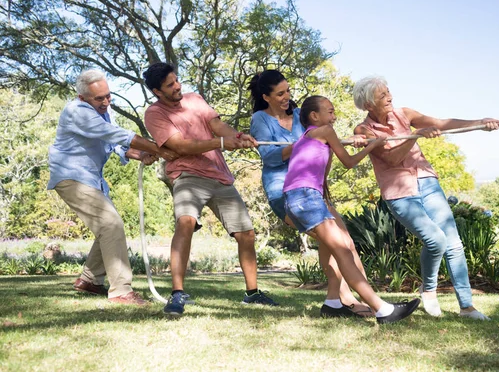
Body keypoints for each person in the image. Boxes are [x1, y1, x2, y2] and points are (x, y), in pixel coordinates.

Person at [353, 75, 499, 320]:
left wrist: (480, 123)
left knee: (453, 243)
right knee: (435, 240)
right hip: (399, 193)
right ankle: (429, 289)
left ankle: (467, 307)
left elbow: (441, 123)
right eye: (382, 95)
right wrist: (415, 136)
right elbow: (391, 159)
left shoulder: (405, 114)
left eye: (388, 91)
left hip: (427, 181)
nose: (389, 97)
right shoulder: (364, 130)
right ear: (368, 104)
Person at [143, 62, 279, 316]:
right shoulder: (154, 113)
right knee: (185, 222)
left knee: (246, 233)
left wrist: (237, 137)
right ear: (156, 91)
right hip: (187, 175)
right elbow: (180, 146)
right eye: (170, 85)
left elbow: (218, 126)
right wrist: (220, 142)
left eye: (176, 80)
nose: (177, 86)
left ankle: (252, 293)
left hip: (219, 174)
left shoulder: (195, 99)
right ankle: (177, 294)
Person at [283, 95, 421, 324]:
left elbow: (323, 173)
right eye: (330, 111)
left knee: (338, 246)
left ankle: (332, 303)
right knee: (343, 250)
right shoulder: (325, 130)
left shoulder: (306, 138)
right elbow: (348, 162)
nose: (334, 116)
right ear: (314, 116)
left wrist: (353, 140)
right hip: (306, 198)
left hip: (298, 198)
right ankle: (383, 309)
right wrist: (373, 144)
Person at [48, 69, 179, 305]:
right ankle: (121, 292)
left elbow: (112, 143)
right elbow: (115, 134)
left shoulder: (103, 111)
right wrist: (158, 148)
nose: (106, 102)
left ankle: (90, 280)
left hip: (89, 178)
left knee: (107, 226)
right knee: (111, 224)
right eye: (100, 99)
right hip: (72, 176)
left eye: (109, 96)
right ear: (82, 98)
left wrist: (140, 154)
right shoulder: (76, 111)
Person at [248, 70, 371, 318]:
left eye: (288, 91)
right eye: (280, 93)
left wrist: (351, 140)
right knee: (336, 241)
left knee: (340, 239)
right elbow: (270, 157)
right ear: (266, 97)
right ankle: (348, 299)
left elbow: (324, 141)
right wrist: (305, 143)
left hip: (312, 188)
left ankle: (337, 301)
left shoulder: (298, 115)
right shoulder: (260, 119)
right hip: (283, 190)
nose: (287, 97)